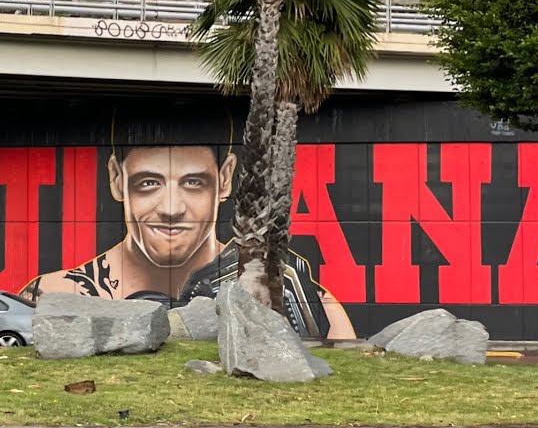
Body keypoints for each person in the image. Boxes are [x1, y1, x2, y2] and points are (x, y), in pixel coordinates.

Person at [18, 143, 355, 340]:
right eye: (148, 183)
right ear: (116, 180)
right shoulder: (53, 292)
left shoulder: (292, 290)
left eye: (193, 182)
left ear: (224, 180)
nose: (171, 209)